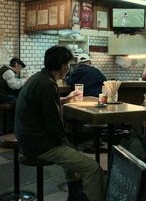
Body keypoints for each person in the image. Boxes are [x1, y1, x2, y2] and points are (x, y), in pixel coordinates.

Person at [15, 46, 105, 201]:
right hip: (38, 145)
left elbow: (46, 105)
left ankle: (75, 195)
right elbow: (54, 127)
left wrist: (66, 98)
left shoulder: (40, 78)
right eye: (68, 64)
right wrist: (66, 141)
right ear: (63, 66)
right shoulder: (47, 85)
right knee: (93, 168)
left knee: (71, 151)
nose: (69, 68)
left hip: (28, 139)